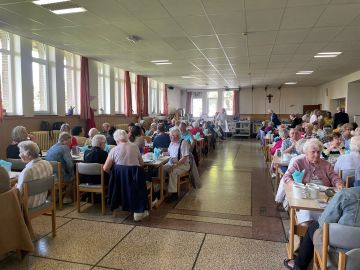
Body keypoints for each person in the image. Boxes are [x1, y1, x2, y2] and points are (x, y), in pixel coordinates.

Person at [283, 186, 360, 270]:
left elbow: (323, 222)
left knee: (314, 226)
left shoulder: (347, 195)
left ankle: (298, 265)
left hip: (338, 256)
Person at [103, 129, 148, 221]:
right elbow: (142, 163)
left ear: (116, 140)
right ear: (126, 137)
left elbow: (105, 168)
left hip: (119, 182)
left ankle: (120, 205)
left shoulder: (114, 149)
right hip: (135, 180)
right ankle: (138, 210)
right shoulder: (134, 146)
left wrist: (115, 174)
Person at [16, 141, 53, 208]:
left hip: (28, 205)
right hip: (43, 199)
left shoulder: (27, 171)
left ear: (28, 154)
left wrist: (13, 189)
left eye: (21, 152)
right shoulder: (48, 164)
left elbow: (18, 194)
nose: (19, 155)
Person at [46, 132, 74, 203]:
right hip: (60, 177)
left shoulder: (52, 147)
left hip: (50, 175)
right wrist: (72, 173)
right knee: (73, 177)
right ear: (65, 140)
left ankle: (52, 197)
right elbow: (70, 164)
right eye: (70, 141)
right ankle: (66, 198)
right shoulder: (64, 147)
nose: (70, 144)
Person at [163, 128, 190, 203]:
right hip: (172, 162)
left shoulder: (183, 143)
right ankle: (162, 189)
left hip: (183, 164)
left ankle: (173, 193)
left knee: (173, 171)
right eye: (171, 136)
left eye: (175, 136)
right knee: (161, 169)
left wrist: (175, 165)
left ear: (179, 136)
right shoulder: (172, 142)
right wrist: (164, 153)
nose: (173, 138)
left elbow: (184, 158)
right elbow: (169, 152)